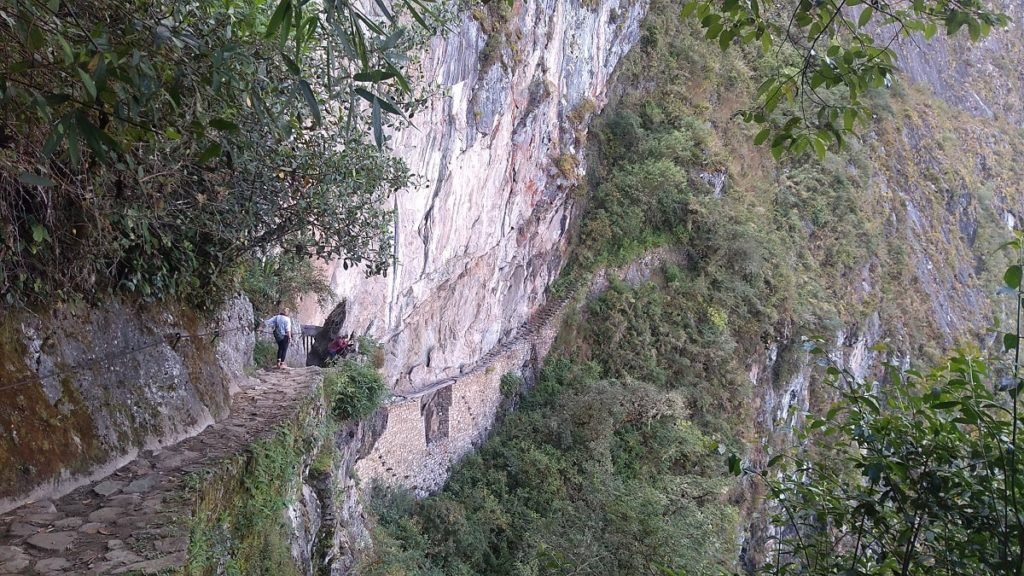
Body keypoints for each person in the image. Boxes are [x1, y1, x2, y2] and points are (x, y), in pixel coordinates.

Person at [264, 303, 292, 369]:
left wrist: (261, 324)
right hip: (285, 336)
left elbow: (268, 322)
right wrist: (290, 337)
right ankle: (282, 363)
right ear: (287, 313)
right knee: (284, 349)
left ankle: (278, 363)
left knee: (280, 348)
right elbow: (288, 330)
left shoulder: (277, 317)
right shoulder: (287, 319)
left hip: (278, 336)